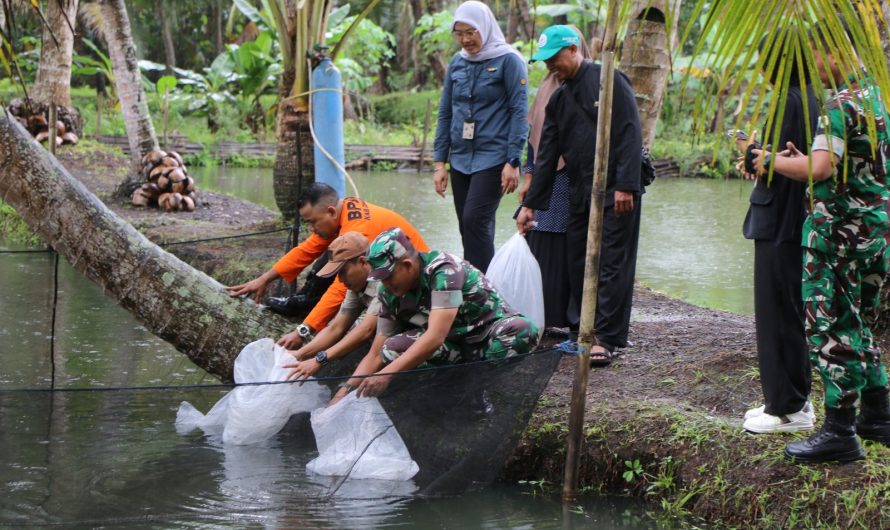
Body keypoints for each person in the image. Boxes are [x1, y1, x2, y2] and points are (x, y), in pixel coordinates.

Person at [752, 29, 890, 463]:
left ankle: (839, 431)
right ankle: (878, 415)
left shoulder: (839, 104)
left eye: (815, 55)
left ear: (834, 50)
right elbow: (851, 164)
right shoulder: (876, 97)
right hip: (874, 232)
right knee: (859, 324)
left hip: (837, 235)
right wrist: (802, 159)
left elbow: (822, 168)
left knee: (830, 329)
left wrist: (770, 160)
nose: (814, 67)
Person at [516, 25, 643, 366]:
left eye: (554, 59)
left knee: (611, 261)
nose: (551, 67)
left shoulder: (609, 80)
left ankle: (606, 337)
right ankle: (582, 328)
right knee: (577, 259)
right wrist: (530, 205)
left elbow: (630, 132)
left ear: (573, 50)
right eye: (545, 62)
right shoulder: (559, 99)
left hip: (616, 189)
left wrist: (626, 184)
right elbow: (547, 155)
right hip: (581, 189)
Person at [330, 227, 540, 402]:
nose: (385, 284)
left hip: (484, 336)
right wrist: (344, 392)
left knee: (522, 330)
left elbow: (435, 336)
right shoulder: (388, 293)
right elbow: (375, 354)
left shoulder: (443, 270)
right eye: (381, 279)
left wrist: (386, 375)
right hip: (452, 347)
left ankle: (477, 390)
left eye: (388, 277)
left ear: (407, 265)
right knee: (392, 348)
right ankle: (449, 391)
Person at [226, 183, 429, 349]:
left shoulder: (357, 231)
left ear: (331, 211)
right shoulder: (340, 215)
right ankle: (305, 302)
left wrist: (305, 329)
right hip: (386, 275)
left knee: (339, 275)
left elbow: (340, 289)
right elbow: (306, 250)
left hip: (409, 282)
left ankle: (311, 311)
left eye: (312, 222)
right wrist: (264, 279)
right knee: (327, 257)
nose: (311, 228)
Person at [737, 37, 820, 434]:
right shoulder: (811, 98)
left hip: (780, 221)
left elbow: (776, 161)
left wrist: (751, 152)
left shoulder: (791, 99)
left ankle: (788, 408)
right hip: (790, 218)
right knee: (786, 311)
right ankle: (789, 400)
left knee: (777, 314)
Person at [433, 0, 529, 273]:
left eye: (471, 32)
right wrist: (439, 163)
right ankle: (480, 282)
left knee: (475, 219)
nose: (465, 40)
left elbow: (519, 112)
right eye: (459, 33)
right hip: (460, 158)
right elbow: (445, 113)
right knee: (468, 226)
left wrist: (513, 160)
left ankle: (482, 287)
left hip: (494, 157)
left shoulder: (509, 60)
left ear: (484, 28)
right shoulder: (457, 62)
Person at [518, 26, 591, 331]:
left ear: (575, 50)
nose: (551, 66)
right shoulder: (548, 88)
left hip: (574, 179)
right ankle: (544, 313)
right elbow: (535, 140)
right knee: (541, 236)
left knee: (567, 243)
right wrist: (529, 177)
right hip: (546, 178)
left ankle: (567, 316)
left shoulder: (590, 88)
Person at [282, 231, 380, 381]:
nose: (340, 280)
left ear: (362, 262)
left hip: (411, 330)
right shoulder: (356, 285)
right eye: (337, 274)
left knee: (361, 337)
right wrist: (299, 354)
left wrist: (319, 360)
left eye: (343, 272)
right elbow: (336, 328)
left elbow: (366, 330)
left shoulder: (382, 282)